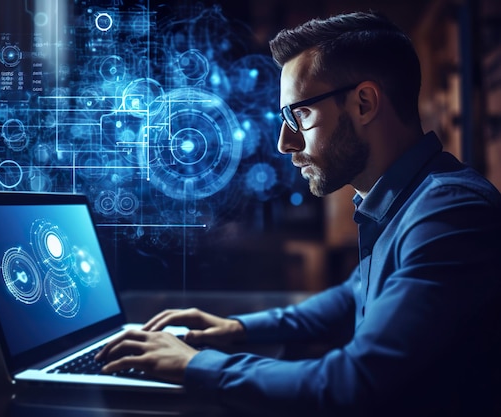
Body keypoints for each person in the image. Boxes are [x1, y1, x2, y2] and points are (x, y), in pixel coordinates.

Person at [96, 11, 501, 416]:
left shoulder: (449, 214)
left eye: (299, 115)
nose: (284, 143)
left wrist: (193, 364)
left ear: (364, 103)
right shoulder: (406, 202)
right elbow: (352, 295)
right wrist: (238, 329)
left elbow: (351, 383)